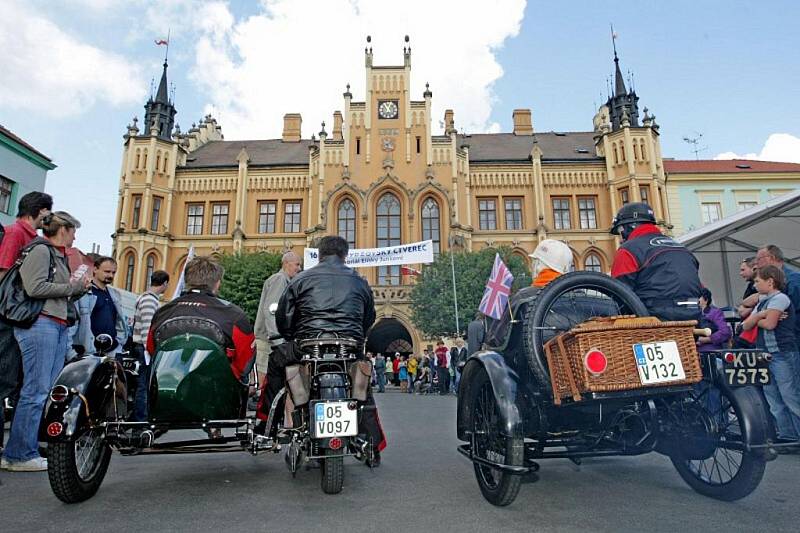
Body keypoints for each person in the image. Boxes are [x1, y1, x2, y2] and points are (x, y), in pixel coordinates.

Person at [271, 235, 386, 464]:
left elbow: (284, 317)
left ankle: (267, 429)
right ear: (345, 255)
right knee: (363, 389)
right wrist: (356, 338)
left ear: (320, 255)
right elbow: (369, 317)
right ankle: (373, 445)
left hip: (308, 345)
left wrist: (291, 336)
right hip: (349, 347)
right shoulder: (360, 281)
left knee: (276, 364)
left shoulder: (301, 278)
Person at [1, 212, 89, 472]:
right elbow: (35, 288)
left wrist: (74, 290)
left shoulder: (54, 254)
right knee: (35, 391)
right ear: (63, 229)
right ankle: (19, 454)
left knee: (40, 391)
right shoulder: (41, 250)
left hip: (54, 324)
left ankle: (21, 450)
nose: (75, 236)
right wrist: (72, 289)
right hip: (41, 324)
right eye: (73, 231)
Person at [146, 256, 255, 384]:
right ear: (217, 283)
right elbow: (245, 363)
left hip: (167, 387)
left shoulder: (162, 313)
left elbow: (152, 350)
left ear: (186, 281)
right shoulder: (234, 315)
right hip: (217, 392)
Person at [0, 192, 53, 451]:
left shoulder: (34, 240)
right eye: (48, 212)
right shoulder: (15, 234)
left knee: (17, 383)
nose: (49, 217)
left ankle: (21, 444)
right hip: (7, 317)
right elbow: (3, 274)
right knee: (4, 381)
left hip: (17, 318)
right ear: (40, 210)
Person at [610, 202, 702, 321]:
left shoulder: (628, 250)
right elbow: (699, 287)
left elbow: (619, 293)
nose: (621, 238)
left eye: (620, 231)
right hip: (692, 319)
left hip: (652, 321)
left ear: (629, 227)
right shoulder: (683, 249)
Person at [741, 266, 800, 443]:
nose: (755, 284)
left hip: (781, 352)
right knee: (774, 399)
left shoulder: (780, 299)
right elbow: (746, 324)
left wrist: (758, 317)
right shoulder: (764, 302)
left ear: (770, 281)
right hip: (765, 353)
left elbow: (769, 324)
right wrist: (762, 315)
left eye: (758, 281)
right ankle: (788, 436)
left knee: (790, 396)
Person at [253, 251, 301, 388]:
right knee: (262, 383)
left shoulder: (283, 281)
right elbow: (272, 311)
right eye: (297, 264)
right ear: (286, 263)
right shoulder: (280, 279)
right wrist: (278, 342)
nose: (299, 268)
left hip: (270, 341)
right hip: (268, 343)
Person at [130, 270, 170, 422]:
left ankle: (141, 419)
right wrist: (151, 350)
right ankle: (140, 421)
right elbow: (148, 329)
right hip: (144, 348)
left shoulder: (146, 298)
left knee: (143, 385)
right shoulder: (150, 301)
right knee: (143, 386)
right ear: (164, 283)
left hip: (141, 347)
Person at [71, 256, 129, 357]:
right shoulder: (84, 293)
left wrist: (119, 342)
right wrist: (71, 353)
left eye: (113, 272)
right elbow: (73, 323)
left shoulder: (114, 295)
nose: (110, 275)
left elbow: (119, 322)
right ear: (95, 269)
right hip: (89, 351)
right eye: (107, 271)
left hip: (112, 350)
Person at [739, 245, 800, 342]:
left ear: (772, 258)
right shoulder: (764, 282)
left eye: (759, 259)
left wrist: (759, 317)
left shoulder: (794, 281)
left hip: (791, 339)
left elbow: (783, 314)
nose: (756, 263)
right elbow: (746, 303)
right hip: (774, 340)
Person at [696, 288, 732, 352]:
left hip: (709, 351)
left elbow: (725, 332)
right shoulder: (690, 314)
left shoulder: (715, 312)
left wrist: (705, 339)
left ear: (706, 300)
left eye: (698, 297)